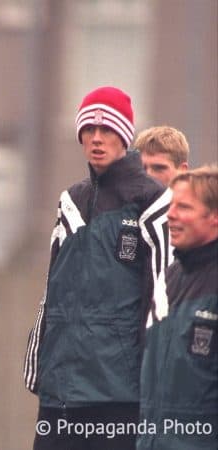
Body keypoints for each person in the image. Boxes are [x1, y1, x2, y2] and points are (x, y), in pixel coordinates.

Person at [23, 86, 172, 450]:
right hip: (60, 388)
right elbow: (52, 287)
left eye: (107, 130)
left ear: (125, 135)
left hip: (117, 391)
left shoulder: (152, 200)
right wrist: (37, 360)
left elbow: (161, 297)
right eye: (88, 129)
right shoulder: (70, 201)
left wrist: (155, 379)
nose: (97, 138)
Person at [137, 165, 218, 450]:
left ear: (214, 217)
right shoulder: (169, 278)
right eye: (171, 206)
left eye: (183, 207)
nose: (170, 215)